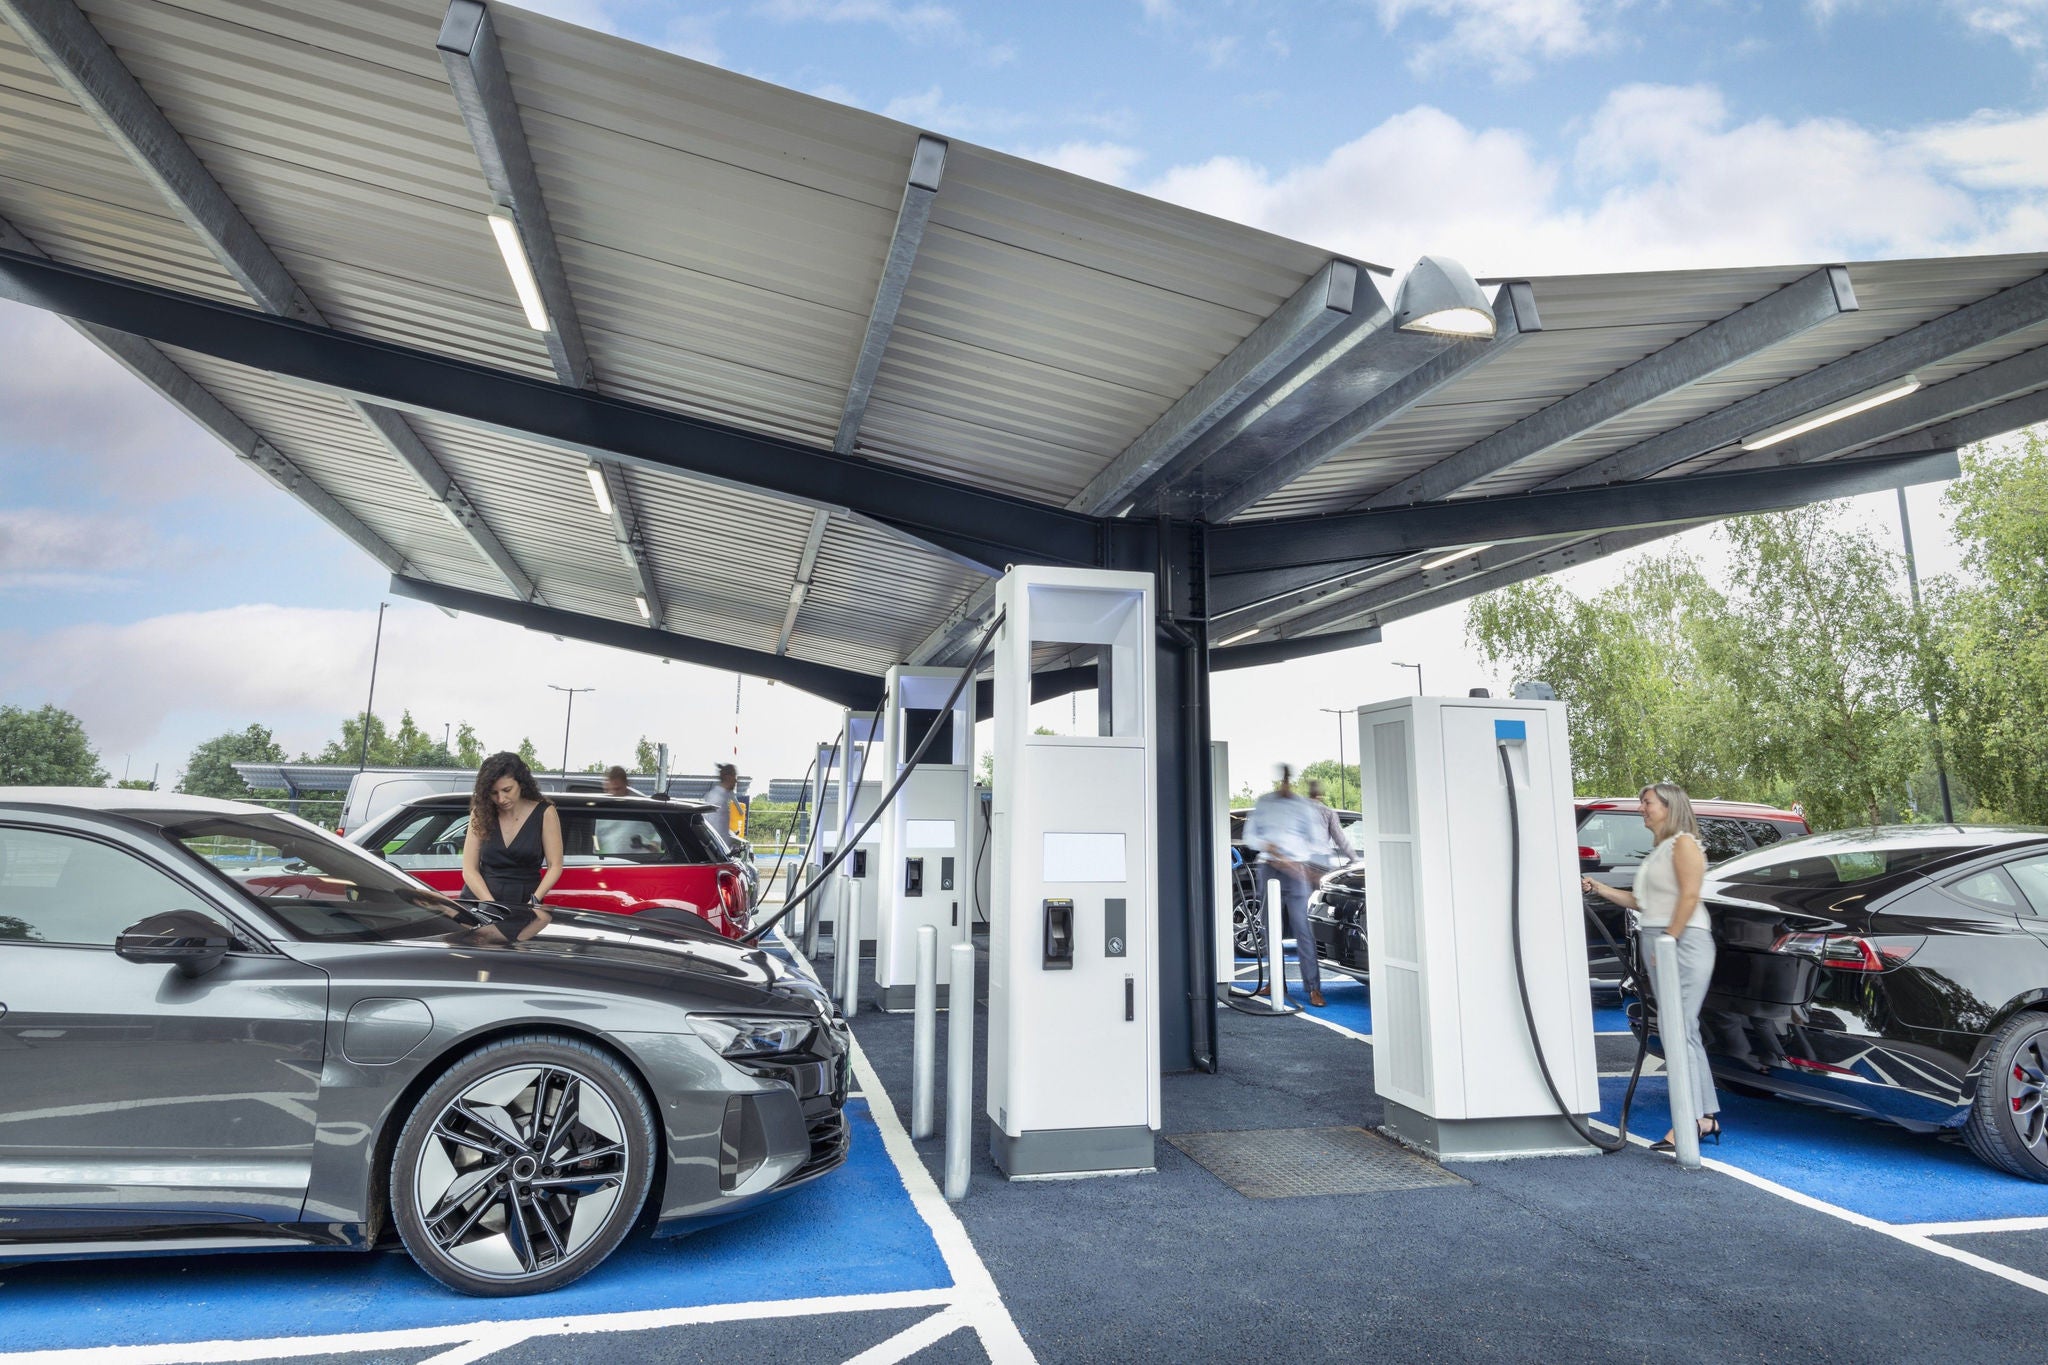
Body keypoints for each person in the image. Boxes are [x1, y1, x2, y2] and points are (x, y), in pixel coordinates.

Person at [1582, 781, 1722, 1151]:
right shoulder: (1658, 851)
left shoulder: (1683, 845)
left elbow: (1690, 895)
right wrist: (1598, 888)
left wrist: (1670, 939)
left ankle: (1691, 1121)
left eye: (1647, 803)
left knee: (1679, 1029)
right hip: (1662, 938)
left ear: (1670, 807)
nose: (1641, 808)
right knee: (1683, 1031)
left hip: (1684, 941)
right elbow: (1641, 901)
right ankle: (1704, 1117)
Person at [1243, 764, 1338, 1008]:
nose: (1285, 783)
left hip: (1295, 871)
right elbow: (1250, 835)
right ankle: (1276, 982)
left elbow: (1316, 840)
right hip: (1269, 868)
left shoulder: (1302, 806)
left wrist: (1308, 866)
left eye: (1288, 778)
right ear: (1279, 781)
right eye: (1282, 779)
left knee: (1302, 930)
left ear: (1291, 780)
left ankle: (1314, 988)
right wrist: (1270, 847)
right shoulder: (1264, 803)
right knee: (1268, 929)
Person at [461, 751, 565, 909]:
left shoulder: (545, 813)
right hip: (480, 900)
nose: (501, 799)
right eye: (494, 793)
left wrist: (534, 901)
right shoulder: (480, 813)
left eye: (507, 790)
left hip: (525, 902)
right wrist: (491, 905)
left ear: (521, 783)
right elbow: (469, 869)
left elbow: (555, 866)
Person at [1304, 779, 1354, 869]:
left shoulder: (1299, 810)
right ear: (1320, 794)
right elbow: (1340, 839)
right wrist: (1354, 858)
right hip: (1321, 859)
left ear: (1309, 792)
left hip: (1302, 859)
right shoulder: (1328, 812)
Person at [707, 763, 743, 840]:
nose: (736, 780)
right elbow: (713, 829)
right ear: (728, 777)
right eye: (734, 776)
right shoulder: (716, 798)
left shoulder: (722, 797)